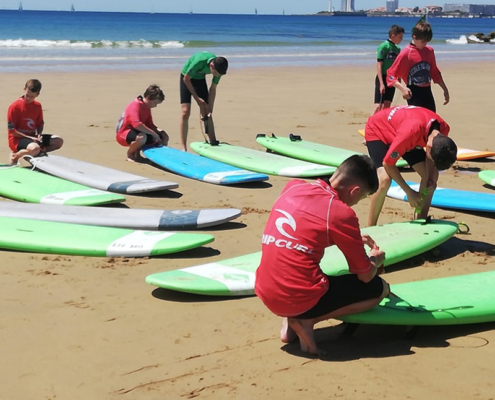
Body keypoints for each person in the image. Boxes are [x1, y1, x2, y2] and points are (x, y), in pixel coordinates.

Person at [255, 155, 389, 356]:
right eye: (360, 199)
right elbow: (364, 274)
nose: (355, 203)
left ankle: (289, 325)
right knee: (379, 289)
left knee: (300, 266)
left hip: (265, 290)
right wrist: (376, 259)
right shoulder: (341, 213)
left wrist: (351, 237)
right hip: (299, 296)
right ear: (355, 191)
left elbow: (304, 228)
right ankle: (307, 320)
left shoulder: (293, 187)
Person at [365, 105, 457, 227]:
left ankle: (420, 220)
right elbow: (388, 163)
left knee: (431, 178)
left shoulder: (443, 129)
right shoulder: (409, 133)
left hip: (409, 133)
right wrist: (409, 192)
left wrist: (430, 178)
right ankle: (371, 228)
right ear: (428, 147)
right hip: (378, 130)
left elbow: (430, 159)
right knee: (385, 179)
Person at [386, 21, 450, 113]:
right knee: (418, 122)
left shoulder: (429, 51)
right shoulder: (406, 53)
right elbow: (390, 75)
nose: (425, 44)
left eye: (427, 42)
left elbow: (435, 72)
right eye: (423, 42)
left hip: (427, 92)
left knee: (432, 121)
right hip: (413, 93)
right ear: (414, 37)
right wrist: (403, 89)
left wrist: (445, 89)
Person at [180, 52, 228, 151]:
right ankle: (183, 147)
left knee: (206, 110)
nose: (216, 75)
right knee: (185, 112)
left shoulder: (219, 69)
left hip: (200, 79)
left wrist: (210, 108)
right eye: (214, 73)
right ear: (211, 66)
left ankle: (213, 141)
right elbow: (186, 79)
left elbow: (213, 88)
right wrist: (197, 99)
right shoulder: (199, 62)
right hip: (186, 78)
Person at [7, 79, 63, 165]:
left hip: (33, 138)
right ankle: (16, 156)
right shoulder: (14, 106)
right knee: (35, 148)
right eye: (27, 95)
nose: (28, 98)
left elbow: (40, 124)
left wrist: (39, 134)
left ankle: (35, 151)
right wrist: (30, 138)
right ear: (24, 89)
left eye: (32, 96)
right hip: (17, 139)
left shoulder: (37, 106)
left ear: (37, 94)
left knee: (58, 141)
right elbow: (12, 131)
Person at [116, 84, 169, 162]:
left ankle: (140, 155)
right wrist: (154, 134)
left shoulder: (146, 107)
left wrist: (161, 132)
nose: (155, 106)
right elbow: (137, 124)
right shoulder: (135, 105)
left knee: (162, 136)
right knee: (142, 137)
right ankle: (130, 154)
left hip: (137, 131)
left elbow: (150, 125)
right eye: (155, 103)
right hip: (123, 133)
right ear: (148, 98)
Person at [373, 25, 405, 114]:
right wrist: (381, 84)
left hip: (391, 79)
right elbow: (379, 65)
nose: (401, 39)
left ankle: (383, 125)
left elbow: (397, 65)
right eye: (400, 37)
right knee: (378, 106)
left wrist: (398, 78)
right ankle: (371, 125)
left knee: (387, 106)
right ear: (393, 36)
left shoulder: (398, 49)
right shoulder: (384, 46)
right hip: (382, 77)